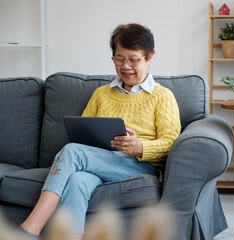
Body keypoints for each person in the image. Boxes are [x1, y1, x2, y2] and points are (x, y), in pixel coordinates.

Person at [17, 23, 181, 240]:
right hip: (99, 162)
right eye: (120, 59)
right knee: (76, 181)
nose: (126, 66)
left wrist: (140, 146)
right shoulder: (101, 94)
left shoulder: (162, 96)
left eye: (133, 59)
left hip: (140, 166)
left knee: (71, 152)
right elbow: (82, 131)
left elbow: (171, 141)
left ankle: (29, 230)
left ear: (149, 58)